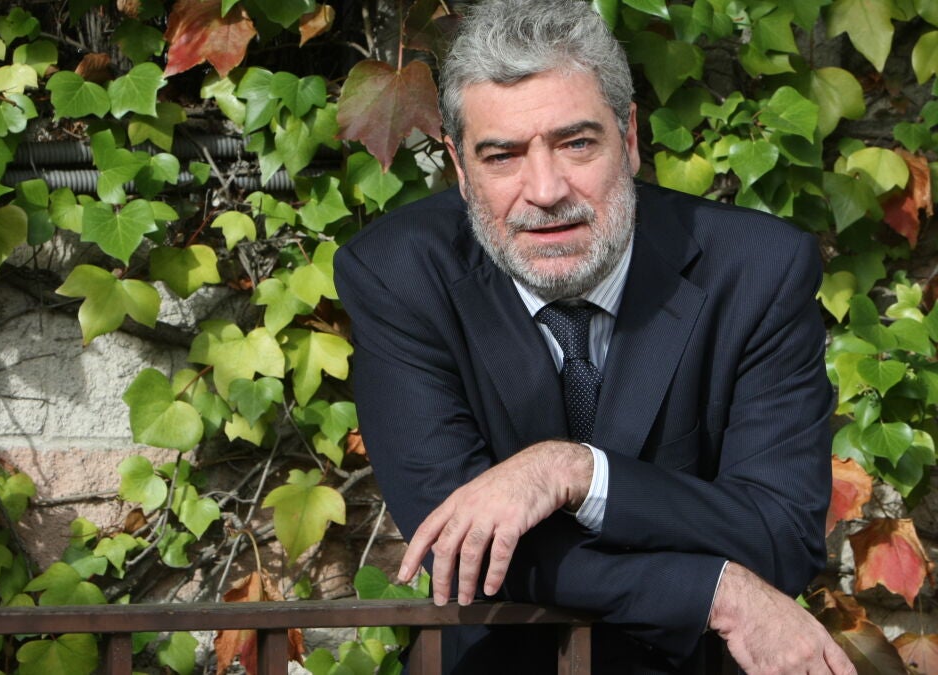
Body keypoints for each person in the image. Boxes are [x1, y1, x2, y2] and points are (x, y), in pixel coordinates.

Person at [332, 1, 857, 673]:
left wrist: (574, 471)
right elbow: (460, 546)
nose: (546, 190)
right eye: (502, 155)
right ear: (461, 170)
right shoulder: (400, 274)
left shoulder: (757, 271)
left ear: (629, 137)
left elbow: (779, 534)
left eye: (577, 143)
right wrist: (712, 590)